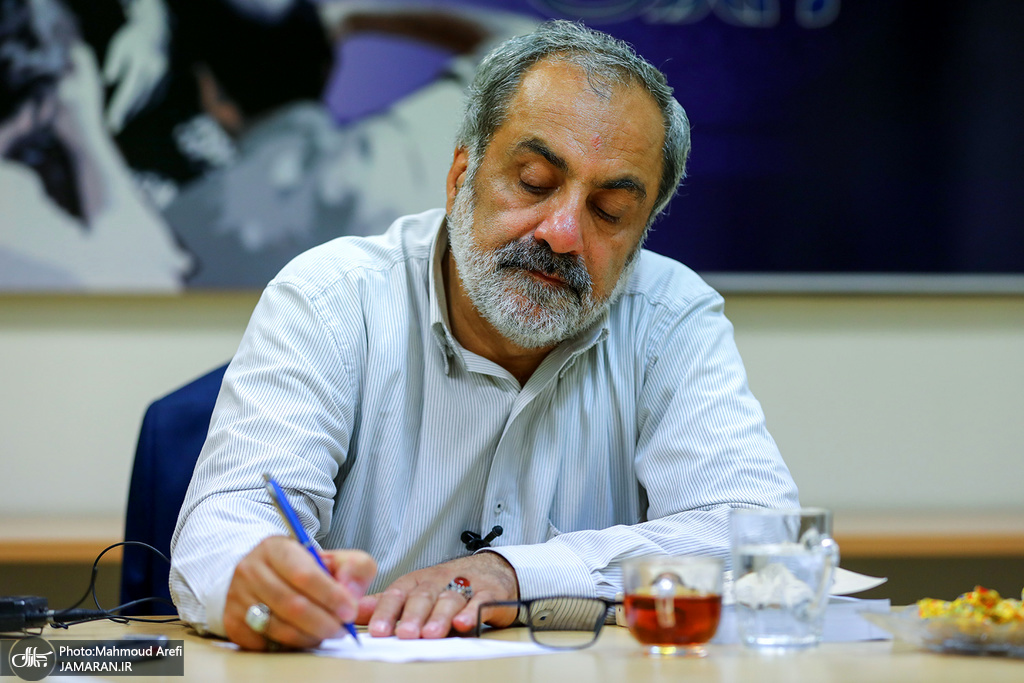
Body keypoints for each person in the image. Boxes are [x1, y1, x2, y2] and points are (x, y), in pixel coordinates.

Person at [170, 20, 798, 650]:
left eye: (609, 211)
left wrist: (514, 574)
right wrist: (257, 584)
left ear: (640, 236)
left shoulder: (669, 317)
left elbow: (758, 539)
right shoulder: (332, 298)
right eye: (533, 182)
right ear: (460, 178)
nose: (562, 233)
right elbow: (226, 525)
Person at [0, 0, 192, 291]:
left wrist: (148, 16)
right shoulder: (13, 200)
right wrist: (90, 136)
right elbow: (156, 284)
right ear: (42, 105)